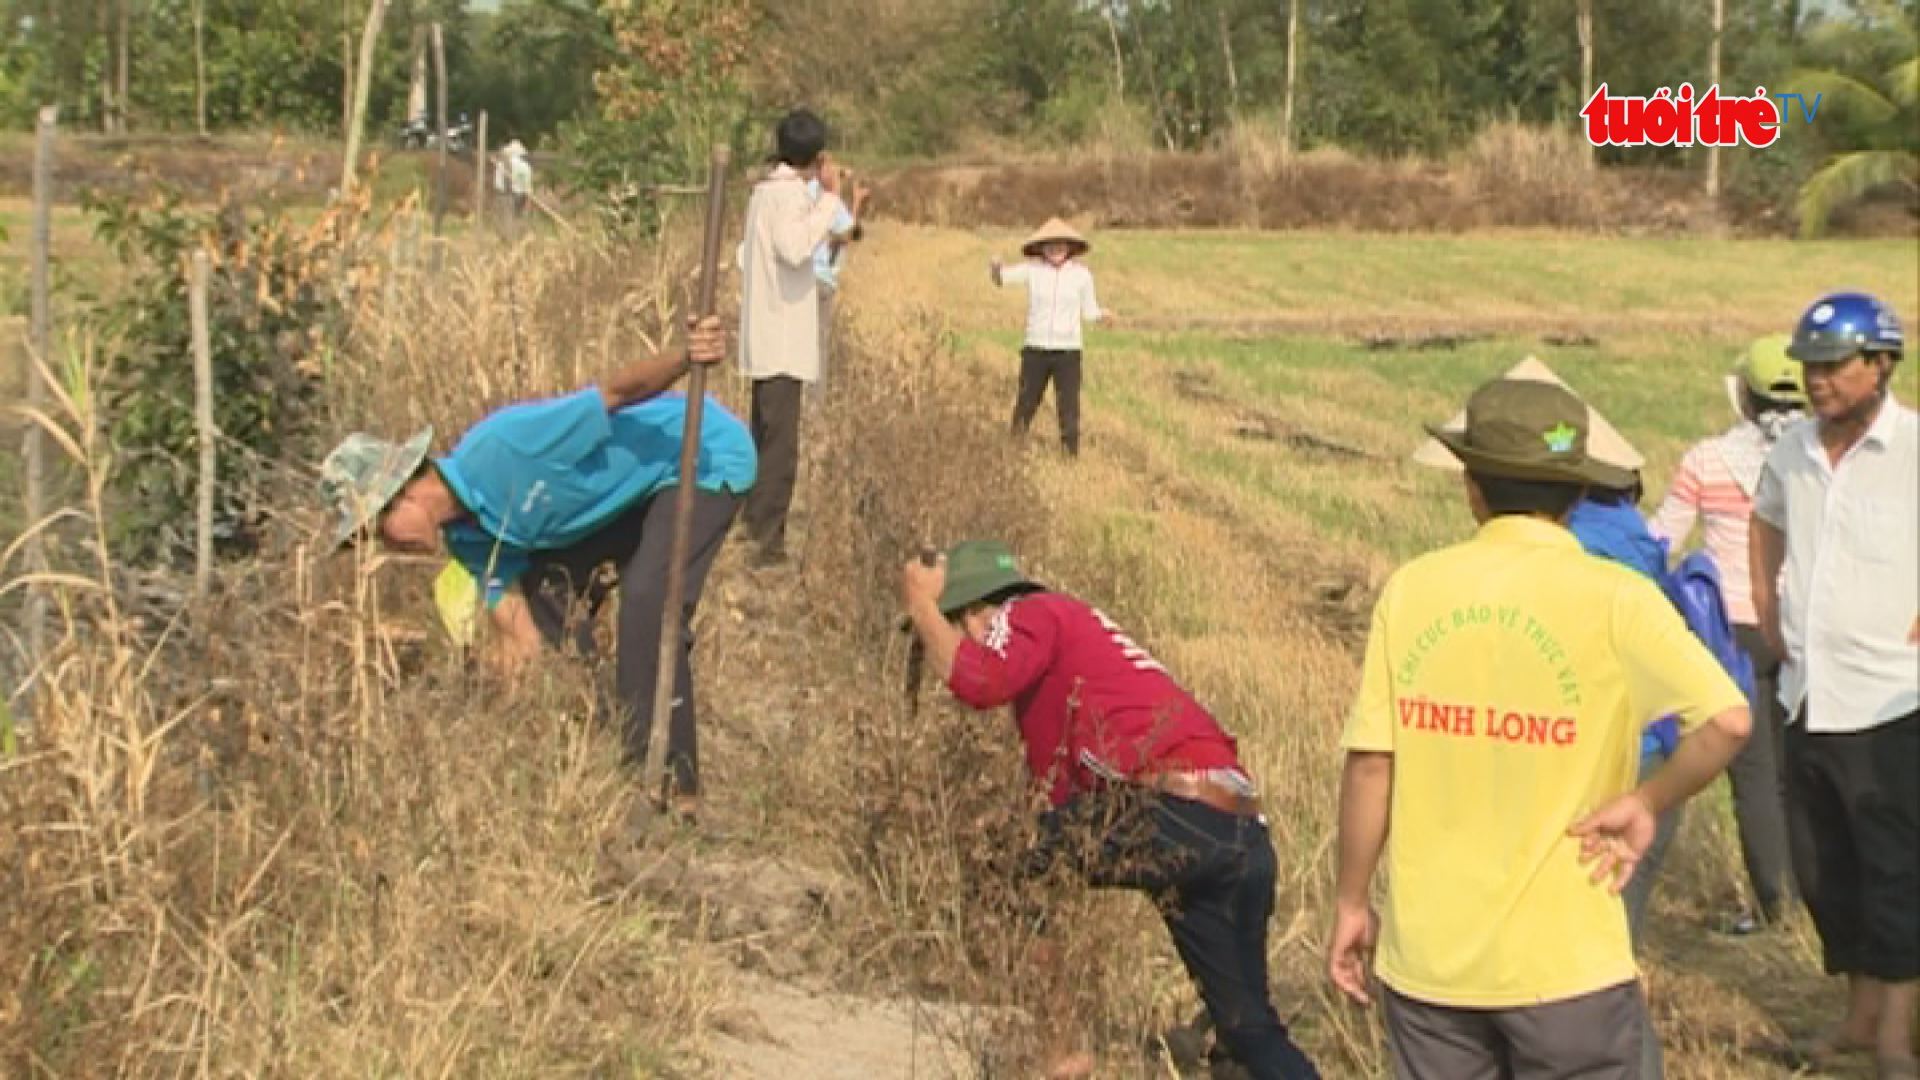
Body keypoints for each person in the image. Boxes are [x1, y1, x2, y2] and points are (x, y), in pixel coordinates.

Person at [1331, 377, 1750, 1079]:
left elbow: (1372, 766)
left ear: (1471, 484)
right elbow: (1729, 720)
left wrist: (1350, 901)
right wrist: (1648, 802)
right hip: (1569, 966)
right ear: (1580, 493)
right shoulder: (1618, 599)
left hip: (1432, 964)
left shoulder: (1413, 589)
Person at [899, 540, 1320, 1080]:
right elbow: (1065, 816)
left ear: (976, 616)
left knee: (1010, 863)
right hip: (1238, 827)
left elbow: (981, 680)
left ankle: (1061, 1053)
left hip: (1171, 811)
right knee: (1249, 1034)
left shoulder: (1026, 613)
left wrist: (920, 604)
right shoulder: (1076, 657)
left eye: (950, 633)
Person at [317, 318, 755, 822]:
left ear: (406, 492)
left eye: (380, 528)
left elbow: (613, 393)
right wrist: (494, 733)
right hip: (632, 499)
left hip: (698, 457)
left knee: (647, 602)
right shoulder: (471, 541)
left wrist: (686, 356)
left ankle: (671, 787)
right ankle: (611, 728)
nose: (387, 545)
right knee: (546, 585)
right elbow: (522, 634)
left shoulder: (503, 446)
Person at [1750, 292, 1917, 1080]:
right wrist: (1764, 602)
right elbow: (1765, 519)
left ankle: (1894, 1035)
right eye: (1808, 367)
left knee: (1895, 868)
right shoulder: (1790, 452)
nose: (1816, 381)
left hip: (1892, 699)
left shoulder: (1915, 449)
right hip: (1808, 692)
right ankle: (1854, 1016)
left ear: (1880, 364)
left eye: (1833, 366)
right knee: (1825, 868)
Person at [1648, 334, 1807, 934]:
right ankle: (1811, 904)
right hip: (1800, 627)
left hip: (1732, 631)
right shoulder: (1815, 457)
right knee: (1799, 774)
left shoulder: (1708, 460)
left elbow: (1664, 536)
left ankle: (1775, 909)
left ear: (1744, 393)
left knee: (1756, 778)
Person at [738, 108, 847, 567]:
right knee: (780, 446)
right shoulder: (787, 197)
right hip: (782, 336)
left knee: (763, 435)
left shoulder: (764, 192)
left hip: (766, 330)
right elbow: (795, 247)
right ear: (817, 158)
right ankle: (767, 542)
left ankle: (752, 523)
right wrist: (830, 198)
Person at [991, 218, 1104, 457]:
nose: (1055, 250)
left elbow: (1090, 311)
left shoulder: (1082, 276)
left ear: (1070, 247)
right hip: (1035, 349)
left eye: (1060, 245)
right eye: (1050, 245)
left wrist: (1103, 316)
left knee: (1068, 407)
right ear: (1041, 248)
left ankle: (1069, 456)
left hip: (1068, 351)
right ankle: (1013, 447)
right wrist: (995, 268)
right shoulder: (1032, 270)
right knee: (1026, 401)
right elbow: (1001, 279)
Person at [805, 168, 869, 407]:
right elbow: (850, 234)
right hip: (820, 278)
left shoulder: (798, 191)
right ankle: (814, 409)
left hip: (798, 278)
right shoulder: (827, 197)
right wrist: (855, 201)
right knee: (817, 347)